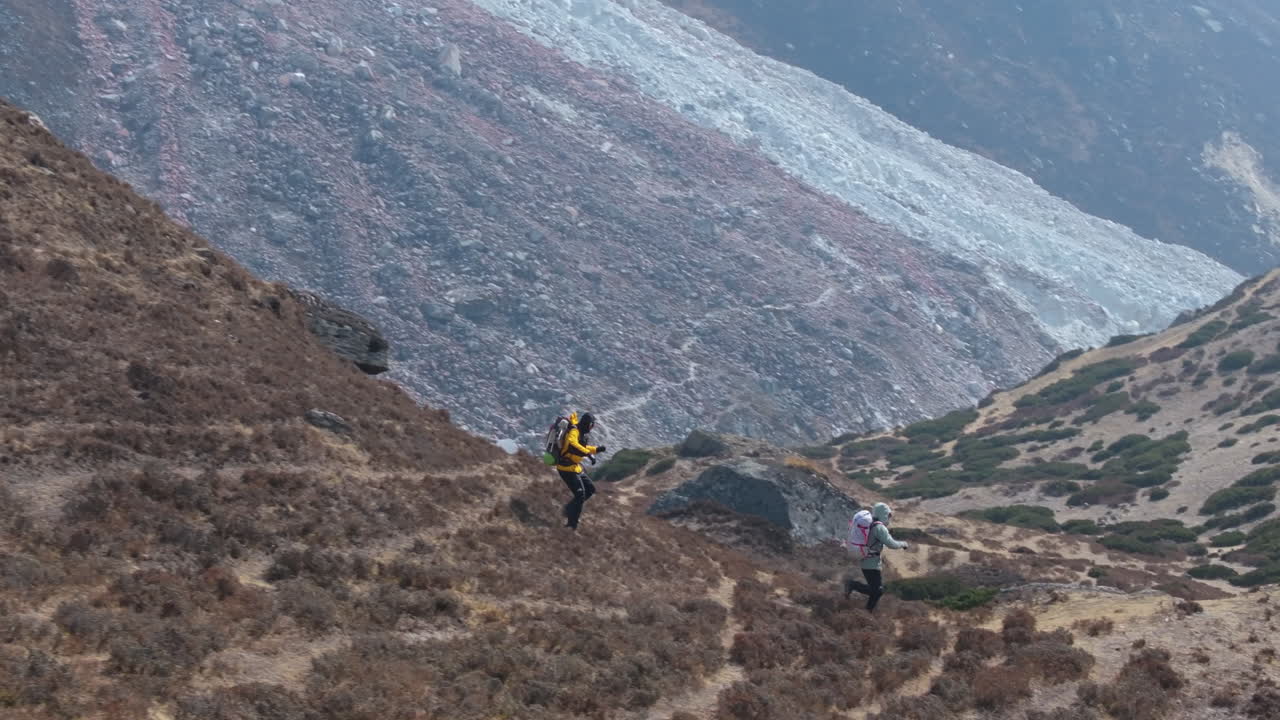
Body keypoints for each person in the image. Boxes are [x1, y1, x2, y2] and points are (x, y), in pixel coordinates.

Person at [844, 502, 908, 611]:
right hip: (871, 564)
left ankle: (867, 612)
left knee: (875, 591)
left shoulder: (871, 524)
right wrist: (903, 544)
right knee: (877, 591)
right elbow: (891, 544)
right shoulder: (879, 527)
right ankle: (853, 585)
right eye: (888, 515)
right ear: (884, 514)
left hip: (866, 561)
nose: (889, 518)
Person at [555, 412, 606, 530]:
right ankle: (571, 524)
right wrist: (588, 455)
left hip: (575, 467)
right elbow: (573, 445)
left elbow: (581, 446)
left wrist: (596, 449)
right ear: (587, 424)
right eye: (591, 425)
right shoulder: (574, 431)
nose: (591, 428)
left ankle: (569, 509)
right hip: (566, 468)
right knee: (580, 495)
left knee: (590, 489)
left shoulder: (581, 433)